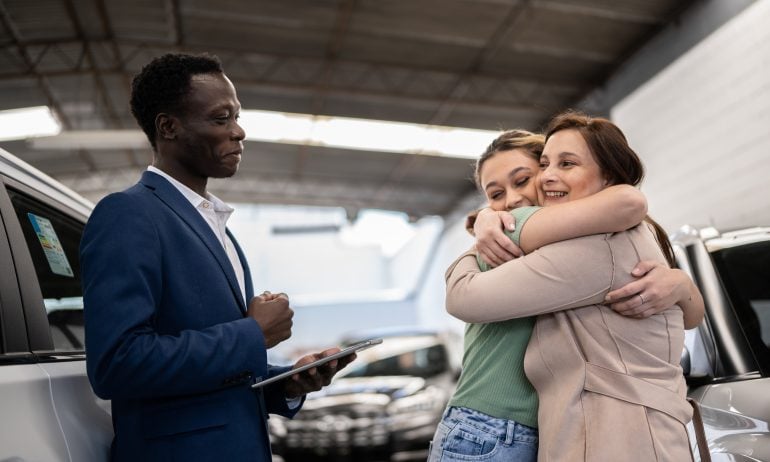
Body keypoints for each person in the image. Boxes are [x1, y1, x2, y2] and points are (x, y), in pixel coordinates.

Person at [80, 53, 353, 462]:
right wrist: (252, 335)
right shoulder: (128, 214)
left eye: (236, 117)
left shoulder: (215, 225)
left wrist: (286, 384)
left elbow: (213, 381)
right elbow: (117, 365)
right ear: (168, 127)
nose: (238, 131)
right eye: (221, 118)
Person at [428, 129, 702, 461]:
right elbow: (629, 202)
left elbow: (689, 316)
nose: (512, 199)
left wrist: (681, 284)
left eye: (523, 180)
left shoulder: (582, 238)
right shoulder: (510, 229)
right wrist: (483, 227)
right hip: (490, 425)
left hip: (537, 429)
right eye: (496, 194)